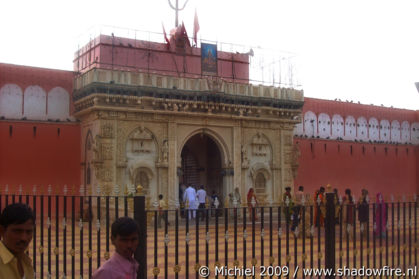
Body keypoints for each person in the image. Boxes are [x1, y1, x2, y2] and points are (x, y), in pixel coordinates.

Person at [0, 203, 35, 279]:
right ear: (2, 231)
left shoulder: (26, 262)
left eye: (29, 232)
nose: (24, 238)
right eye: (17, 231)